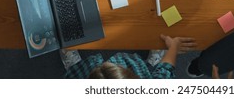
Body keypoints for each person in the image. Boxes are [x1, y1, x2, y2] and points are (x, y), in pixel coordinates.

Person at [61, 34, 196, 79]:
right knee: (150, 69)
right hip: (141, 71)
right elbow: (165, 72)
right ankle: (151, 64)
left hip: (82, 76)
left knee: (79, 71)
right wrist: (173, 47)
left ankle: (73, 64)